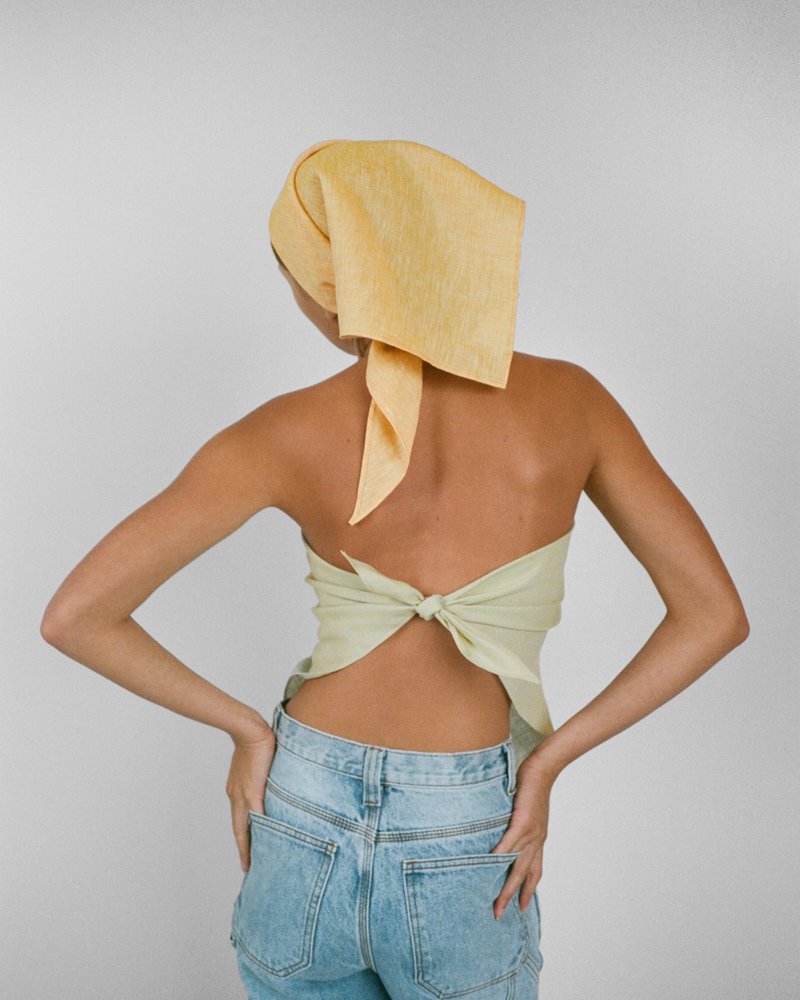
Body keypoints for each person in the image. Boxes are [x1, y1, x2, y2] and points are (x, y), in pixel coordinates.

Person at [40, 139, 750, 999]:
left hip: (300, 805)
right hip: (467, 824)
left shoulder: (279, 433)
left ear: (334, 282)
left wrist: (247, 731)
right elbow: (714, 614)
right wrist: (548, 762)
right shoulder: (574, 403)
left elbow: (76, 616)